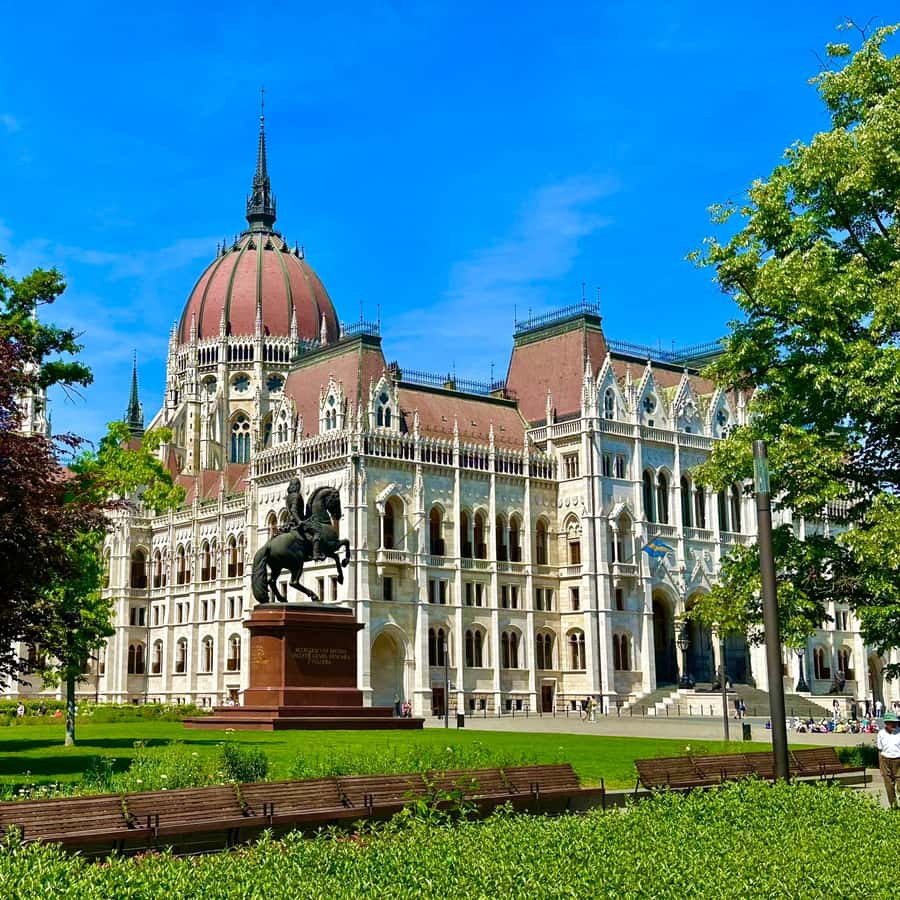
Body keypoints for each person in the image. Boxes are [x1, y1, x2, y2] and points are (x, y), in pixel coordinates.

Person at [877, 711, 900, 809]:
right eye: (892, 722)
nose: (895, 724)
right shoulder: (881, 733)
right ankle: (893, 806)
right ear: (886, 723)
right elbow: (880, 750)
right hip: (885, 760)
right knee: (889, 785)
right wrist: (880, 767)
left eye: (896, 722)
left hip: (898, 760)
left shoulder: (899, 732)